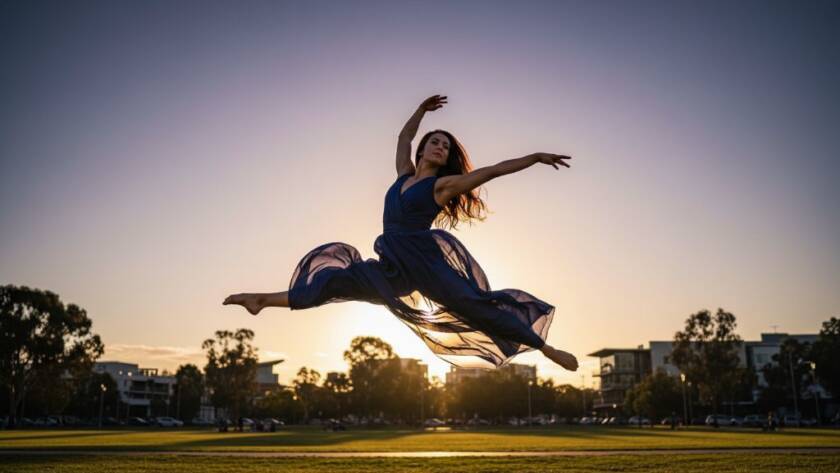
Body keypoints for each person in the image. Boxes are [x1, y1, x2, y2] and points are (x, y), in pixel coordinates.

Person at [223, 94, 578, 371]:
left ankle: (546, 348)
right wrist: (421, 110)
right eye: (435, 142)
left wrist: (534, 156)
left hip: (426, 265)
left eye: (446, 146)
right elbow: (403, 136)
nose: (441, 147)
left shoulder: (443, 186)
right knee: (332, 282)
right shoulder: (402, 175)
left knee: (475, 306)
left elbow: (493, 170)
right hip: (392, 267)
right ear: (424, 149)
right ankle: (260, 300)